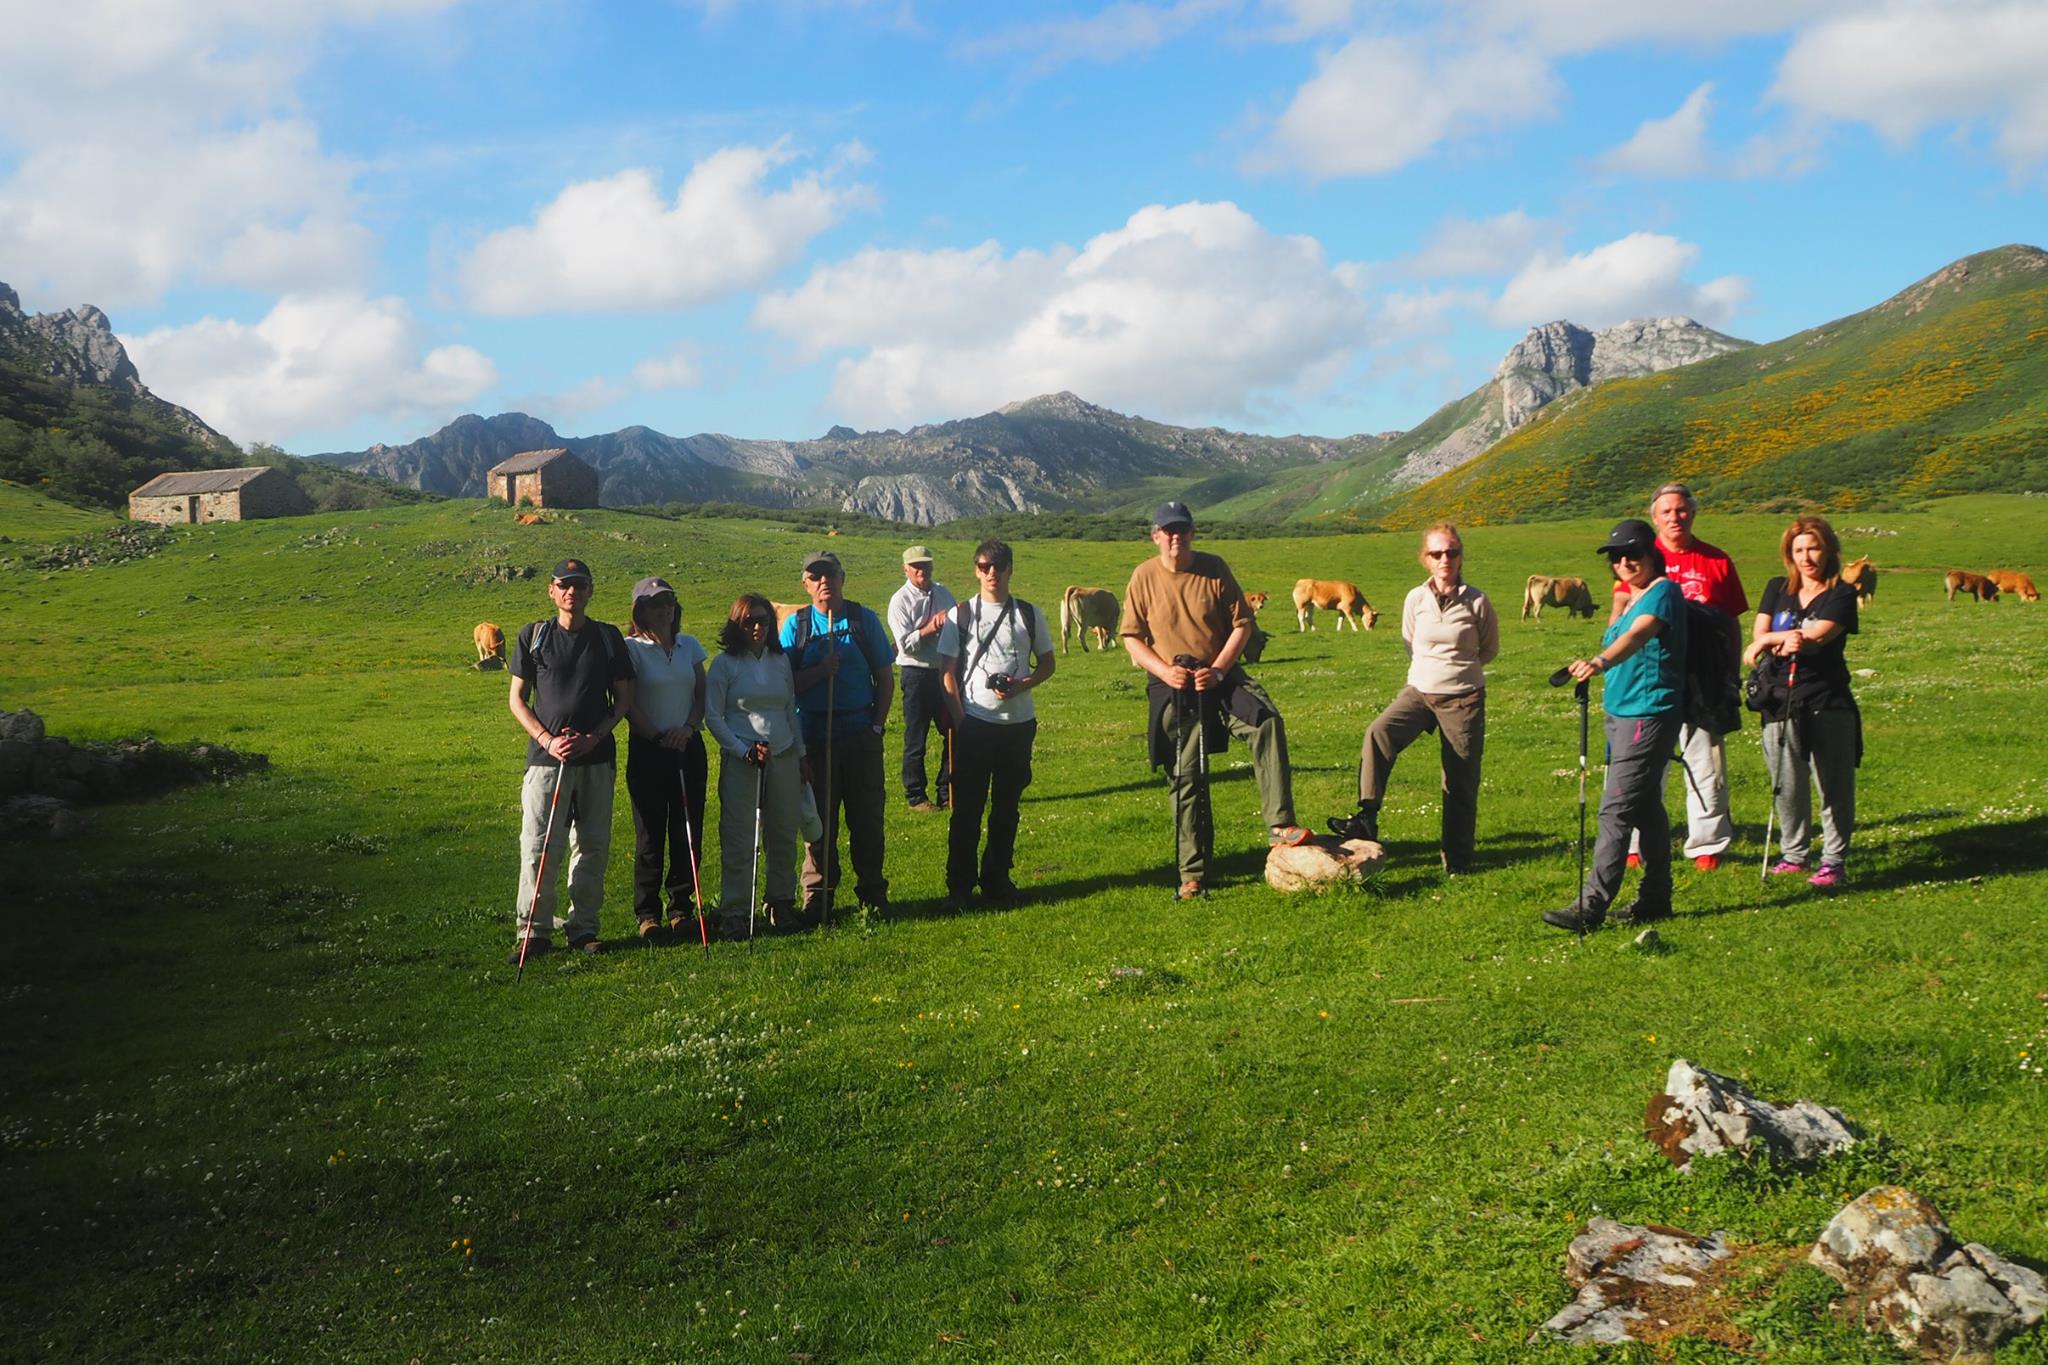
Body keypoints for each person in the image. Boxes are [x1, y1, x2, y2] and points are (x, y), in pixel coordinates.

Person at [1120, 500, 1309, 900]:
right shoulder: (1143, 577)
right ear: (1155, 536)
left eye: (1182, 530)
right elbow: (1132, 638)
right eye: (1168, 530)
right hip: (1172, 681)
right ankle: (1192, 872)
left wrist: (1220, 670)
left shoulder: (1215, 568)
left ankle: (1280, 824)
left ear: (1192, 533)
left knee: (1267, 721)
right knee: (1186, 775)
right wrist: (1163, 671)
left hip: (1219, 676)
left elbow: (1243, 625)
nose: (1176, 537)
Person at [1328, 522, 1499, 873]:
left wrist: (1456, 673)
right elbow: (1410, 641)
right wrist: (1431, 672)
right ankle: (1367, 817)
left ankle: (1457, 860)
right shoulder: (1415, 598)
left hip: (1463, 698)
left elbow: (1489, 649)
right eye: (1436, 553)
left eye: (1451, 552)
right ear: (1425, 558)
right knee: (1380, 733)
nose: (1445, 559)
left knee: (1459, 779)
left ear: (1460, 555)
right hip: (1420, 691)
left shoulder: (1477, 600)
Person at [1545, 519, 1688, 933]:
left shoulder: (1663, 592)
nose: (1624, 561)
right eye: (1616, 556)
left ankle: (1591, 906)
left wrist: (1601, 662)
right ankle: (1657, 898)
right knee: (1645, 808)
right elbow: (1623, 630)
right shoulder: (1635, 595)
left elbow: (1639, 637)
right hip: (1624, 711)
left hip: (1648, 713)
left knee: (1615, 810)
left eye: (1633, 553)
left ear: (1652, 554)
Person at [505, 557, 635, 962]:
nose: (571, 592)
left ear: (590, 591)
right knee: (540, 846)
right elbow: (516, 699)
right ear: (551, 590)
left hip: (595, 760)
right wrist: (546, 739)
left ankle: (584, 929)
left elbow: (624, 698)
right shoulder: (534, 636)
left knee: (592, 845)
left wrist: (595, 737)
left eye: (579, 585)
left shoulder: (609, 638)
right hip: (546, 762)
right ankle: (534, 932)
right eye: (564, 585)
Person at [1612, 483, 1747, 871]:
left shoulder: (1717, 561)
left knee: (1706, 759)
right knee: (1644, 759)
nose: (1675, 517)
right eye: (1666, 511)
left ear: (1693, 513)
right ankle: (1635, 842)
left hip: (1702, 676)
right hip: (1652, 677)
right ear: (1654, 518)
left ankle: (1707, 844)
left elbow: (1732, 622)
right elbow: (1620, 615)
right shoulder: (1639, 558)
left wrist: (1730, 674)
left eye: (1681, 510)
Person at [1744, 516, 1860, 888]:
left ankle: (1833, 860)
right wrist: (1774, 639)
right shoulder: (1777, 588)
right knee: (1787, 784)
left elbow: (1819, 636)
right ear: (1788, 555)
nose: (1806, 557)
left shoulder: (1841, 594)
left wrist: (1772, 641)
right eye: (1798, 550)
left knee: (1833, 784)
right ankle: (1794, 854)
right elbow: (1759, 633)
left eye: (1813, 548)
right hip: (1778, 698)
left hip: (1827, 699)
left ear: (1829, 551)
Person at [938, 538, 1055, 905]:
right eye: (985, 566)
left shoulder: (1029, 614)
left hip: (1019, 724)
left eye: (999, 566)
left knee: (1007, 807)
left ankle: (997, 878)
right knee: (967, 811)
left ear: (1010, 570)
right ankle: (959, 885)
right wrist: (961, 719)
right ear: (975, 570)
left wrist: (1025, 684)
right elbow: (947, 673)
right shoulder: (961, 614)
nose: (992, 573)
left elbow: (1048, 663)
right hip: (976, 722)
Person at [781, 550, 895, 922]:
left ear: (842, 578)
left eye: (830, 574)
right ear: (806, 584)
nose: (824, 582)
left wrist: (877, 725)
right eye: (816, 577)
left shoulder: (863, 621)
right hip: (814, 737)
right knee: (818, 822)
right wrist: (819, 671)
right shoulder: (796, 627)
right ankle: (818, 895)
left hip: (860, 734)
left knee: (866, 819)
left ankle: (872, 891)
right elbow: (785, 686)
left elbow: (885, 676)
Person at [704, 594, 808, 936]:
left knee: (782, 831)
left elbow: (790, 707)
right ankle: (735, 909)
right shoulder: (725, 664)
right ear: (737, 624)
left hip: (784, 754)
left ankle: (780, 902)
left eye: (764, 620)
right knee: (739, 835)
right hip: (743, 759)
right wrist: (741, 749)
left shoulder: (780, 660)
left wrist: (801, 753)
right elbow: (713, 716)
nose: (758, 627)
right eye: (750, 621)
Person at [622, 576, 708, 942]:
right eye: (657, 603)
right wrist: (657, 735)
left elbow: (701, 695)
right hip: (649, 747)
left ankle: (681, 907)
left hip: (688, 746)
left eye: (670, 601)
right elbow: (627, 703)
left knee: (688, 829)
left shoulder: (690, 646)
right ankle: (647, 912)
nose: (666, 608)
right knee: (650, 831)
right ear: (640, 610)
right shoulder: (630, 649)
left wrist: (688, 728)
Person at [888, 544, 956, 813]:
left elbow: (957, 628)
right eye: (916, 566)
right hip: (915, 673)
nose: (922, 570)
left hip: (944, 672)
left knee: (953, 732)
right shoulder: (899, 601)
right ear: (905, 569)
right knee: (916, 737)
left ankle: (947, 791)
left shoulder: (943, 593)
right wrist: (932, 627)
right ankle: (916, 797)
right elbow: (905, 645)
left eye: (926, 565)